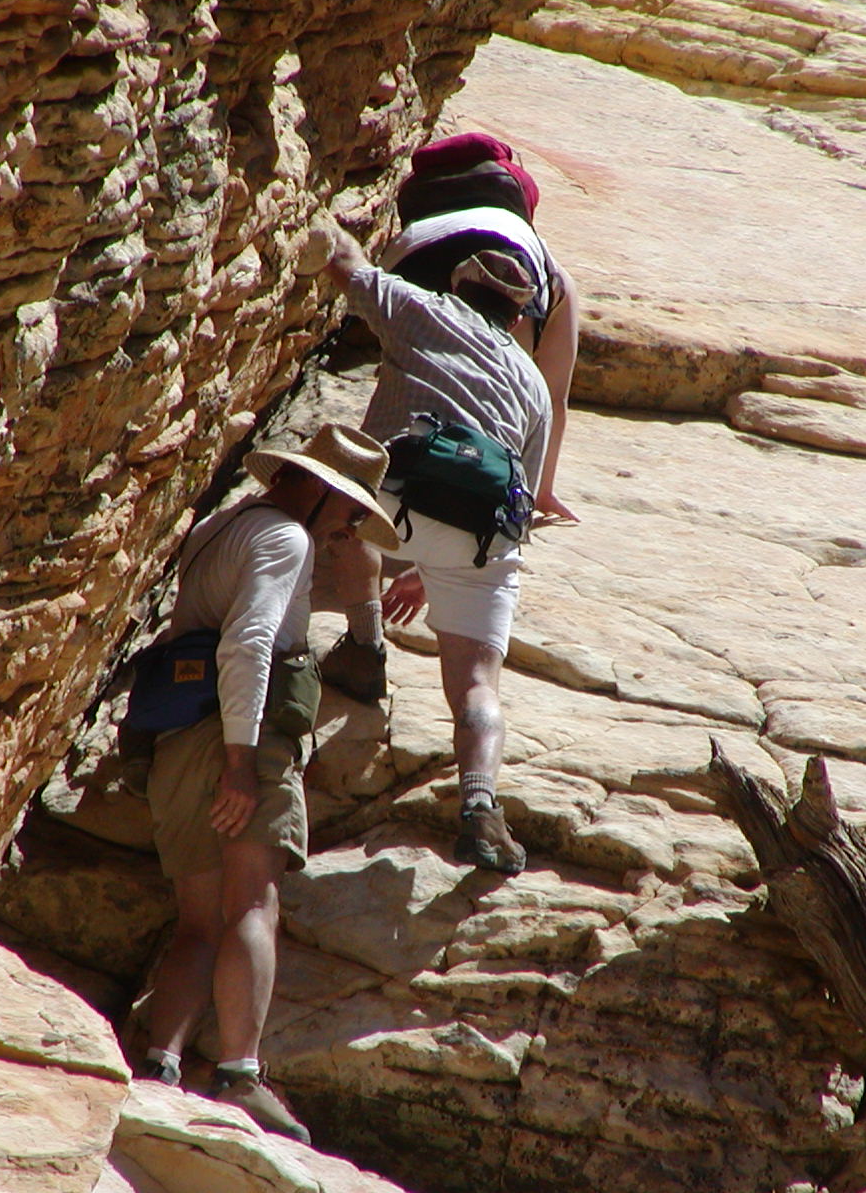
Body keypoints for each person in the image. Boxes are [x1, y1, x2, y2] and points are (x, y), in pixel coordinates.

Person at [136, 424, 399, 1143]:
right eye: (349, 508)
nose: (350, 525)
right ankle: (240, 1076)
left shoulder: (225, 524)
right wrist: (241, 763)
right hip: (241, 739)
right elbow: (250, 643)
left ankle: (159, 1065)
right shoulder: (286, 538)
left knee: (197, 919)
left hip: (175, 737)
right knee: (254, 901)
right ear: (315, 487)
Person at [318, 220, 553, 874]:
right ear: (518, 317)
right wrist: (434, 570)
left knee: (352, 504)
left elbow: (343, 261)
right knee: (477, 683)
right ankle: (480, 808)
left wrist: (320, 222)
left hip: (392, 499)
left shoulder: (420, 307)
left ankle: (364, 646)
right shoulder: (535, 385)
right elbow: (523, 499)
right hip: (481, 534)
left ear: (457, 282)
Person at [382, 131, 581, 526]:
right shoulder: (537, 252)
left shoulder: (417, 227)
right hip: (516, 263)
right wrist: (540, 489)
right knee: (505, 394)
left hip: (413, 259)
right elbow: (553, 396)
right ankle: (484, 508)